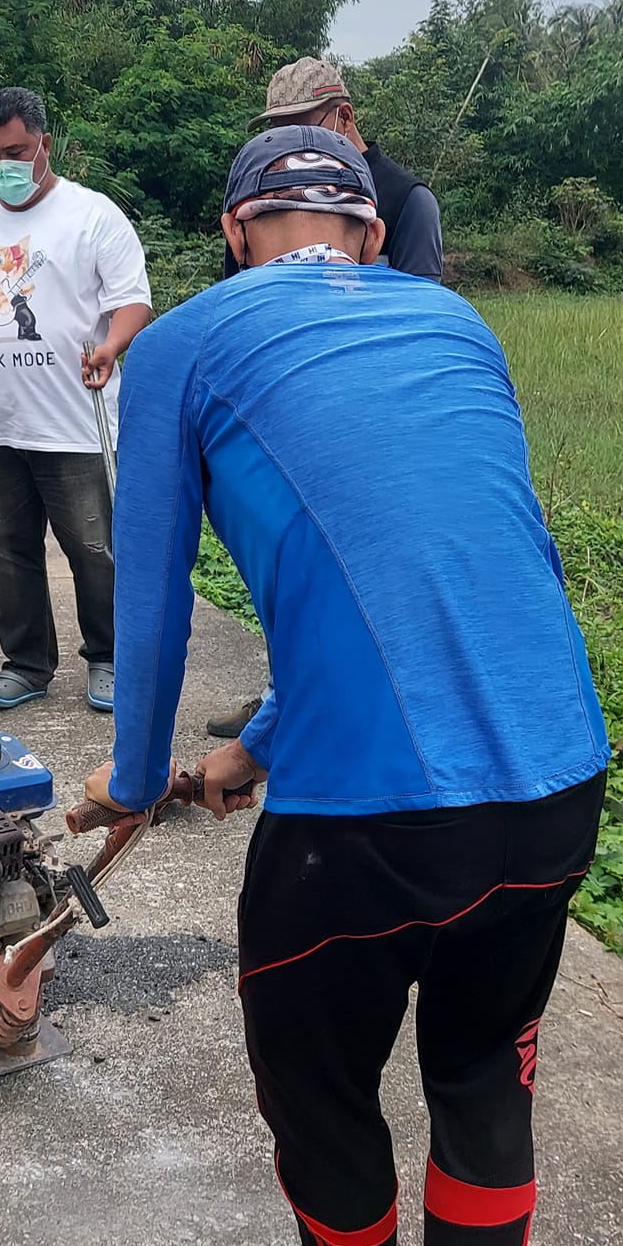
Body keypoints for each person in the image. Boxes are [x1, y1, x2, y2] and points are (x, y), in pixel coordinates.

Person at [83, 124, 608, 1246]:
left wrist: (136, 780)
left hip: (365, 829)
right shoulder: (456, 320)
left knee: (317, 1087)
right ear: (372, 235)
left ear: (235, 227)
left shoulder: (185, 344)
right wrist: (258, 744)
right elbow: (475, 563)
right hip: (554, 778)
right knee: (485, 1091)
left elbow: (146, 605)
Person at [209, 56, 444, 739]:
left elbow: (416, 317)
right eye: (273, 132)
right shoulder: (259, 199)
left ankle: (376, 709)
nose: (284, 148)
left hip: (374, 419)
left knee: (373, 573)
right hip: (284, 411)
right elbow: (239, 300)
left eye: (299, 128)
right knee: (289, 569)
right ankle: (286, 703)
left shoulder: (404, 201)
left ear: (342, 119)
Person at [0, 87, 152, 714]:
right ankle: (24, 665)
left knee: (95, 549)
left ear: (45, 143)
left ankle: (108, 658)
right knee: (7, 548)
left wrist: (112, 344)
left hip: (74, 421)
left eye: (15, 150)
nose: (2, 166)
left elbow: (133, 301)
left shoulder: (94, 216)